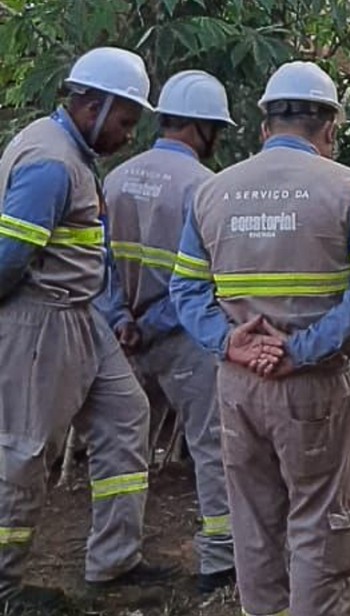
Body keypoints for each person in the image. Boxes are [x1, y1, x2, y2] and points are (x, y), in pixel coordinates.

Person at [170, 60, 350, 616]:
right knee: (319, 520)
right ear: (329, 127)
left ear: (264, 126)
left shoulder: (212, 192)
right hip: (312, 385)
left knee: (251, 519)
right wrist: (303, 350)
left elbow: (185, 289)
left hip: (238, 384)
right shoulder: (349, 189)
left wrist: (230, 343)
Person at [0, 47, 179, 613]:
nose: (128, 134)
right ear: (92, 106)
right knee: (25, 452)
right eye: (125, 121)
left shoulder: (72, 155)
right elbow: (8, 257)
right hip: (41, 319)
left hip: (80, 317)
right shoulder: (51, 164)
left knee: (127, 414)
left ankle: (114, 560)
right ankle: (5, 588)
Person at [94, 69, 238, 594]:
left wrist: (121, 321)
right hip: (182, 340)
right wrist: (150, 325)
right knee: (212, 444)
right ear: (204, 128)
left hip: (124, 338)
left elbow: (101, 262)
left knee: (122, 450)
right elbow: (202, 280)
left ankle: (111, 556)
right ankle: (219, 560)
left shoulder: (116, 177)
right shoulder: (205, 188)